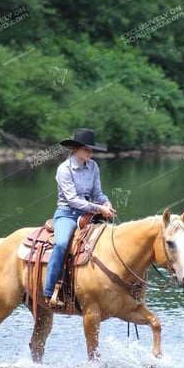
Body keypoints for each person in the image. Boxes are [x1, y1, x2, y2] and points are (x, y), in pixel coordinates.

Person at [43, 128, 116, 309]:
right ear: (76, 149)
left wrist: (106, 203)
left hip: (88, 213)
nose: (89, 152)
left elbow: (97, 193)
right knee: (60, 244)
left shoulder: (93, 167)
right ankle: (49, 290)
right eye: (86, 149)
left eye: (91, 149)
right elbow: (72, 200)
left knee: (108, 240)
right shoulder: (64, 169)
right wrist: (99, 208)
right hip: (67, 213)